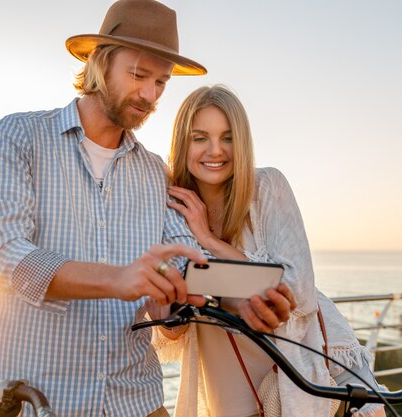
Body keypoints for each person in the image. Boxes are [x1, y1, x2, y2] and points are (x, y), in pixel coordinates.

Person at [0, 2, 295, 416]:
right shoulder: (19, 135)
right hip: (34, 399)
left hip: (135, 401)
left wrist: (197, 303)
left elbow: (180, 269)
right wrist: (119, 279)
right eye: (139, 75)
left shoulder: (155, 172)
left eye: (161, 82)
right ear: (99, 62)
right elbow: (6, 257)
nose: (150, 95)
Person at [149, 85, 386, 417]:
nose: (215, 151)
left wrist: (209, 242)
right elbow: (173, 323)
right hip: (226, 380)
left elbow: (298, 291)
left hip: (303, 369)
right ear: (182, 142)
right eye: (200, 137)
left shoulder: (267, 187)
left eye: (228, 138)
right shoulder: (171, 207)